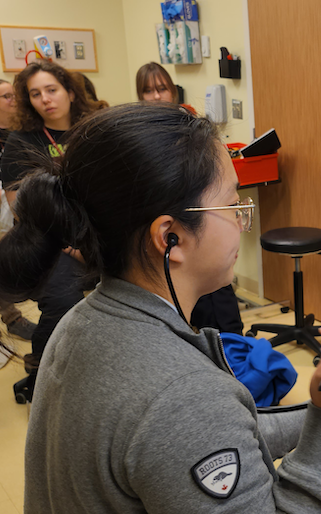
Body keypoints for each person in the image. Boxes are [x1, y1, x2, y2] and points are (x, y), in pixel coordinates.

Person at [0, 102, 321, 514]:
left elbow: (209, 437)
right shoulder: (181, 393)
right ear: (170, 237)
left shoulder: (81, 322)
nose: (241, 223)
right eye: (232, 204)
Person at [0, 60, 100, 398]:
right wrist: (72, 247)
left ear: (70, 92)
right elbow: (21, 207)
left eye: (52, 90)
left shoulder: (95, 129)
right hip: (47, 241)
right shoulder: (20, 142)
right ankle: (45, 379)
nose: (45, 99)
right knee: (62, 301)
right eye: (35, 94)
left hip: (95, 236)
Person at [136, 61, 243, 334]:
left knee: (222, 315)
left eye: (162, 88)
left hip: (197, 241)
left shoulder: (192, 129)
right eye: (149, 91)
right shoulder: (139, 138)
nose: (157, 96)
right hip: (168, 250)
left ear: (173, 90)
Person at [0, 79, 37, 342]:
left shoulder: (23, 123)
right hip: (0, 187)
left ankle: (11, 316)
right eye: (7, 96)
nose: (13, 100)